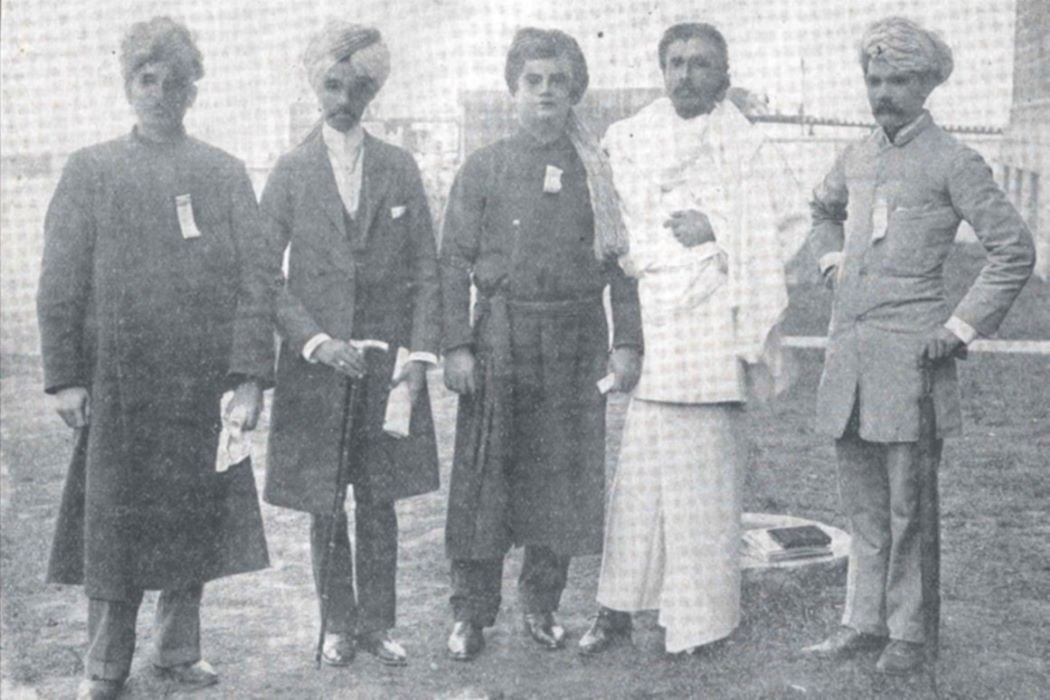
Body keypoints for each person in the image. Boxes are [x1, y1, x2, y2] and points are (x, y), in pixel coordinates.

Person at [37, 17, 275, 700]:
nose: (160, 91)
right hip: (118, 387)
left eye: (174, 79)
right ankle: (104, 666)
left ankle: (176, 651)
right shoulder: (91, 170)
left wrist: (249, 378)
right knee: (113, 528)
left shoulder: (223, 174)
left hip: (199, 388)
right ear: (128, 85)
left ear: (192, 88)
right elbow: (60, 280)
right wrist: (64, 378)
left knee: (191, 519)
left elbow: (258, 282)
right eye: (147, 78)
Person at [802, 16, 1035, 674]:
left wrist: (958, 328)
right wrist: (828, 265)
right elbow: (820, 210)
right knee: (863, 506)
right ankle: (862, 622)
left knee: (909, 507)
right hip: (848, 358)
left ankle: (909, 631)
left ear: (928, 84)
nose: (884, 92)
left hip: (913, 361)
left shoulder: (955, 161)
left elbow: (1013, 249)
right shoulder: (856, 155)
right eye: (874, 79)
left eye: (899, 79)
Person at [579, 22, 805, 657]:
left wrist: (721, 228)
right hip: (654, 317)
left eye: (700, 64)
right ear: (662, 70)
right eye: (675, 62)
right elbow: (611, 225)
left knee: (705, 477)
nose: (685, 74)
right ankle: (619, 606)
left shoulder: (749, 147)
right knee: (641, 474)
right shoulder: (628, 137)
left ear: (723, 76)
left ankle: (701, 620)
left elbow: (790, 224)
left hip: (712, 323)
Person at [439, 27, 643, 661]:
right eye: (534, 80)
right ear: (514, 89)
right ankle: (472, 613)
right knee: (485, 477)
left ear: (574, 90)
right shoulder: (484, 167)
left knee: (561, 476)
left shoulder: (600, 172)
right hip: (501, 336)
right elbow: (452, 262)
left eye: (558, 81)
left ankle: (542, 604)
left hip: (579, 336)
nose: (546, 92)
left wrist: (627, 343)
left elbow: (623, 263)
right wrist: (455, 346)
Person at [261, 21, 441, 668]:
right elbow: (263, 275)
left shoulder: (397, 167)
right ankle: (337, 624)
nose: (344, 97)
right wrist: (312, 342)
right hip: (318, 370)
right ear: (315, 86)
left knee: (380, 498)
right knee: (324, 500)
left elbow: (427, 269)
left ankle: (378, 625)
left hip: (385, 368)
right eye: (332, 84)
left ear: (373, 90)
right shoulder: (289, 171)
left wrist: (418, 358)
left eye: (357, 85)